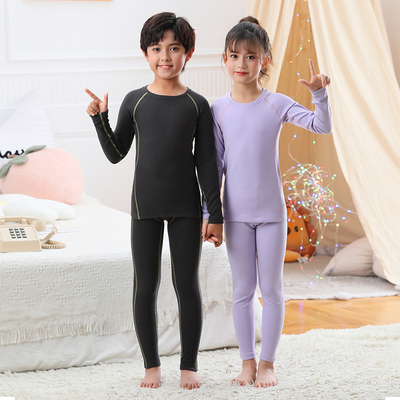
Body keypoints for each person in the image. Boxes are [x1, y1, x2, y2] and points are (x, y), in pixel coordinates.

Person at [85, 12, 223, 390]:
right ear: (146, 53)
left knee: (186, 285)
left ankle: (189, 365)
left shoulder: (197, 104)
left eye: (174, 48)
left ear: (188, 53)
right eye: (157, 48)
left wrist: (215, 214)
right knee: (145, 286)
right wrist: (100, 119)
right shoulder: (136, 101)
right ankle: (151, 365)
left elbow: (207, 163)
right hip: (144, 207)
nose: (165, 56)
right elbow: (117, 153)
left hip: (186, 209)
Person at [202, 16, 332, 388]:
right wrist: (210, 214)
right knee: (242, 292)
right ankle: (247, 363)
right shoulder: (217, 109)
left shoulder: (276, 103)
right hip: (236, 216)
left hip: (273, 216)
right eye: (234, 56)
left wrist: (320, 95)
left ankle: (268, 364)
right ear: (224, 60)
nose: (241, 63)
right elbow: (215, 166)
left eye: (250, 56)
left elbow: (321, 126)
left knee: (272, 291)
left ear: (265, 61)